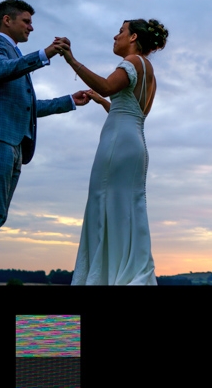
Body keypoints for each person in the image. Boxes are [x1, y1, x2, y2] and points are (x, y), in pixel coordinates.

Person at [0, 0, 94, 286]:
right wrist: (44, 54)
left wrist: (68, 101)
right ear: (7, 20)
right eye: (27, 21)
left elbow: (27, 106)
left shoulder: (13, 55)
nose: (32, 27)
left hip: (13, 144)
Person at [64, 19, 168, 285]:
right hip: (134, 143)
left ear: (133, 37)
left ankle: (102, 278)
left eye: (121, 31)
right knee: (125, 210)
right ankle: (123, 273)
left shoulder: (132, 62)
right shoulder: (149, 71)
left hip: (117, 145)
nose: (115, 36)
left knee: (104, 205)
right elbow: (129, 112)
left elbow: (107, 86)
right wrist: (102, 103)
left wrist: (71, 60)